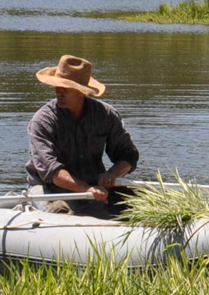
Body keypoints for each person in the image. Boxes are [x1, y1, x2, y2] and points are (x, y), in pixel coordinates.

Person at [27, 54, 140, 218]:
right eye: (57, 85)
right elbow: (53, 172)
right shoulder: (42, 120)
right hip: (48, 186)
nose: (59, 90)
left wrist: (112, 174)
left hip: (93, 185)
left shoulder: (106, 115)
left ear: (81, 91)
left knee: (137, 205)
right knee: (60, 212)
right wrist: (86, 189)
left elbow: (128, 156)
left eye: (66, 87)